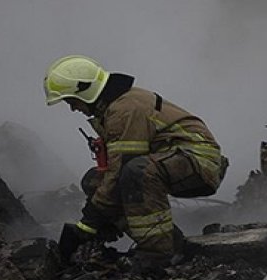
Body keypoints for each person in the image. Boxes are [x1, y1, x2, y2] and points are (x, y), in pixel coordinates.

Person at [44, 55, 227, 265]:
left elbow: (122, 168)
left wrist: (90, 221)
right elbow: (113, 173)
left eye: (71, 101)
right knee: (94, 180)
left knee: (136, 172)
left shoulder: (125, 109)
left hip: (199, 160)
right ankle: (174, 245)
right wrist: (102, 219)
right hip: (173, 160)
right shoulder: (113, 108)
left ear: (84, 91)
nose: (73, 108)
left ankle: (158, 255)